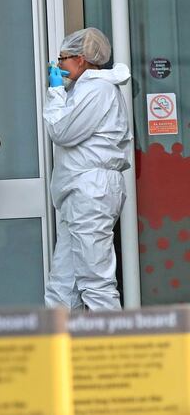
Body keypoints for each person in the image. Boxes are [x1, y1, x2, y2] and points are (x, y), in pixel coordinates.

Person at [43, 27, 131, 311]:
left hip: (90, 191)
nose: (58, 66)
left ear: (80, 59)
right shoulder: (84, 89)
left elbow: (62, 131)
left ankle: (117, 353)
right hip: (80, 193)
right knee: (62, 285)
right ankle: (62, 352)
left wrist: (55, 93)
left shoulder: (97, 89)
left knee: (96, 284)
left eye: (62, 58)